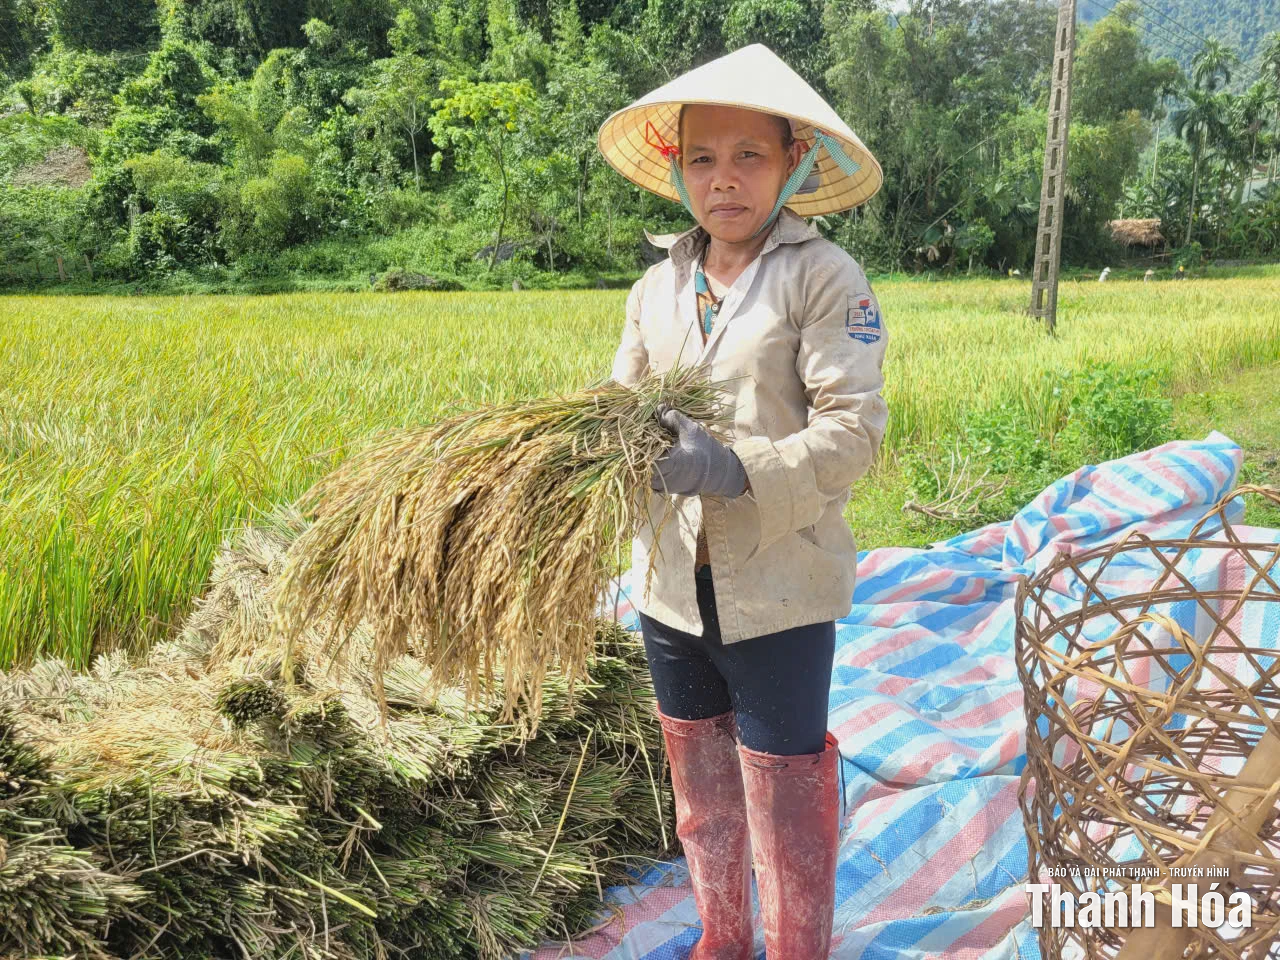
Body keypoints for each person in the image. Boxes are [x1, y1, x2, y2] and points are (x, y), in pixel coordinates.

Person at [597, 44, 889, 959]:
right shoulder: (654, 289)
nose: (724, 181)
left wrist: (737, 468)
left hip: (779, 584)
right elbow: (618, 411)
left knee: (783, 785)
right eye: (702, 159)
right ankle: (722, 939)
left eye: (749, 157)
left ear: (794, 161)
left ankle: (797, 947)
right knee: (704, 791)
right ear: (678, 168)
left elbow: (854, 432)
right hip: (671, 587)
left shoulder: (824, 278)